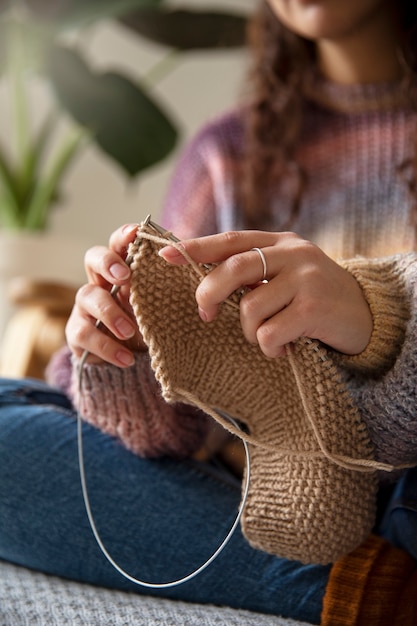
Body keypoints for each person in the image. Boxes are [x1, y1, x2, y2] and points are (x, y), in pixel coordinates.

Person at [1, 0, 417, 623]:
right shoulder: (227, 155)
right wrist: (122, 356)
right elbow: (178, 433)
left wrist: (375, 313)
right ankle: (363, 589)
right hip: (258, 501)